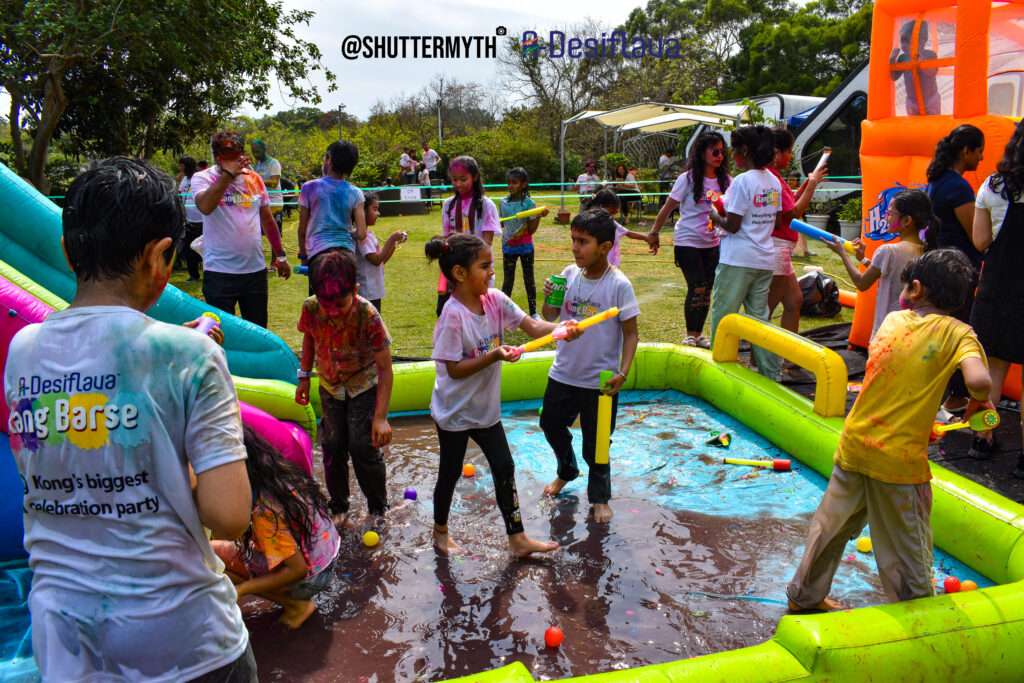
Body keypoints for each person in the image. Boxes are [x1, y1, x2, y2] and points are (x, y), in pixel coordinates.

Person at [6, 157, 256, 680]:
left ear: (67, 249)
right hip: (184, 640)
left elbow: (48, 469)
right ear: (162, 256)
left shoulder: (24, 350)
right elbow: (229, 513)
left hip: (69, 640)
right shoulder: (189, 355)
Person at [787, 249, 991, 611]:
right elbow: (978, 379)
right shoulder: (960, 333)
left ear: (914, 288)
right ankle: (915, 617)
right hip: (898, 465)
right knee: (906, 548)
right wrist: (980, 398)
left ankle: (804, 597)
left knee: (829, 529)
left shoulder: (893, 321)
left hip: (855, 446)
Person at [425, 232, 580, 556]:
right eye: (485, 266)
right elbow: (454, 369)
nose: (492, 272)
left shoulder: (495, 299)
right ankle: (440, 531)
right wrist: (493, 356)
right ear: (459, 273)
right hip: (454, 412)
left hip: (484, 410)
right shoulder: (452, 316)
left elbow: (534, 327)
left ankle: (517, 539)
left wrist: (564, 328)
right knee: (450, 473)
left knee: (504, 467)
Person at [540, 208, 640, 524]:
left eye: (583, 242)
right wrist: (549, 298)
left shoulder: (619, 285)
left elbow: (631, 332)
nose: (575, 247)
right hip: (564, 372)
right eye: (573, 240)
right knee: (550, 425)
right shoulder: (569, 275)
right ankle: (566, 470)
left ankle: (599, 498)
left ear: (605, 246)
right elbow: (550, 316)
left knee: (597, 442)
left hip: (601, 380)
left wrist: (622, 372)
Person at [295, 250, 393, 524]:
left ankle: (378, 508)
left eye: (340, 304)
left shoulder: (368, 314)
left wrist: (381, 417)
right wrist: (304, 376)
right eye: (328, 304)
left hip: (364, 385)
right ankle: (339, 506)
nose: (334, 312)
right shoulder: (312, 307)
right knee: (332, 444)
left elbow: (385, 368)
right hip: (329, 384)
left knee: (363, 446)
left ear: (356, 290)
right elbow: (309, 340)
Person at [212, 427, 340, 630]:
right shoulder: (278, 474)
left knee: (214, 560)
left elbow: (297, 570)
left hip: (310, 577)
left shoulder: (264, 510)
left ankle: (297, 606)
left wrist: (243, 590)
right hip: (325, 558)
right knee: (213, 549)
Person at [192, 130, 291, 328]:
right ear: (217, 156)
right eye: (225, 152)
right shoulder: (202, 178)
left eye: (235, 151)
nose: (232, 156)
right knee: (219, 334)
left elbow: (268, 220)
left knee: (257, 332)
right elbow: (205, 206)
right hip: (219, 272)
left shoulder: (254, 179)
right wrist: (228, 175)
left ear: (241, 153)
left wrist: (280, 256)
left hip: (254, 272)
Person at [970, 119, 1024, 471]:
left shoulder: (992, 186)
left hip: (996, 291)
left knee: (992, 370)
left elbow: (980, 242)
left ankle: (982, 438)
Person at [708, 125, 782, 380]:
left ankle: (720, 368)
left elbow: (733, 224)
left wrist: (714, 215)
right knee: (759, 319)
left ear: (745, 151)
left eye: (734, 150)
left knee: (723, 314)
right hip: (764, 257)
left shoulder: (742, 181)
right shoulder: (773, 181)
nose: (731, 156)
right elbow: (778, 218)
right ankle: (770, 372)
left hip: (738, 258)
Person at [646, 131, 732, 347]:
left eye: (722, 151)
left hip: (712, 242)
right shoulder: (688, 179)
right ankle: (690, 335)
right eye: (715, 151)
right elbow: (668, 207)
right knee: (698, 286)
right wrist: (654, 232)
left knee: (707, 290)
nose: (719, 155)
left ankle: (699, 334)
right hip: (687, 241)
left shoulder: (727, 181)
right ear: (702, 153)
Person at [927, 124, 985, 414]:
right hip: (959, 268)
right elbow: (975, 234)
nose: (982, 158)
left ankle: (944, 395)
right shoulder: (957, 187)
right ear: (966, 151)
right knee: (961, 332)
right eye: (979, 151)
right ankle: (954, 395)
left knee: (943, 332)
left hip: (943, 264)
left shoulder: (938, 181)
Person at [828, 189, 934, 340]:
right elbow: (891, 273)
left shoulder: (888, 251)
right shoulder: (926, 250)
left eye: (890, 213)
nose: (886, 217)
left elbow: (862, 283)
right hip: (911, 333)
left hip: (886, 331)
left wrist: (842, 253)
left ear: (907, 221)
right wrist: (863, 260)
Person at [767, 128, 828, 335]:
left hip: (781, 249)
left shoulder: (776, 178)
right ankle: (757, 358)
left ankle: (788, 358)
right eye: (789, 151)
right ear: (777, 153)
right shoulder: (772, 180)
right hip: (777, 249)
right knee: (767, 307)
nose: (791, 156)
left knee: (794, 300)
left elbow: (789, 204)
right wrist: (810, 186)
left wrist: (808, 185)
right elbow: (792, 215)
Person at [437, 155, 500, 315]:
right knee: (452, 313)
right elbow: (448, 238)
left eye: (463, 179)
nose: (458, 184)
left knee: (481, 313)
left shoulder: (486, 205)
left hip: (478, 270)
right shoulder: (448, 205)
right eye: (454, 179)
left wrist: (471, 261)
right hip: (456, 271)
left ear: (475, 176)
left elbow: (487, 243)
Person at [297, 140, 367, 284]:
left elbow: (302, 230)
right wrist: (348, 233)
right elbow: (361, 233)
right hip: (347, 255)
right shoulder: (356, 193)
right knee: (346, 302)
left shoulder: (309, 187)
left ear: (328, 159)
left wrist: (303, 256)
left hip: (318, 254)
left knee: (320, 302)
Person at [499, 167, 548, 318]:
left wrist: (538, 216)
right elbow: (502, 225)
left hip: (526, 247)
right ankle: (503, 312)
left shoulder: (529, 204)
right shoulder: (503, 203)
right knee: (508, 281)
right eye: (509, 183)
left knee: (529, 279)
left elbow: (531, 230)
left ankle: (533, 312)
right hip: (508, 247)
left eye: (514, 182)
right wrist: (510, 235)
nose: (511, 186)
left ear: (524, 184)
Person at [355, 191, 408, 312]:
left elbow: (382, 260)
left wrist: (394, 244)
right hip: (366, 292)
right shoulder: (362, 237)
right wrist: (392, 238)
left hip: (373, 291)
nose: (378, 213)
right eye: (374, 209)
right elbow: (376, 260)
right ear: (362, 212)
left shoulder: (369, 234)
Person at [584, 189, 652, 268]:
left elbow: (628, 233)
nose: (612, 216)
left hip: (611, 267)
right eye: (611, 212)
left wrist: (646, 238)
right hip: (598, 266)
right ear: (601, 206)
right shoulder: (589, 224)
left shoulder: (611, 222)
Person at [890, 20, 941, 116]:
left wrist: (921, 60)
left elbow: (932, 72)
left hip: (931, 100)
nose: (903, 45)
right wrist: (892, 60)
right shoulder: (903, 57)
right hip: (912, 102)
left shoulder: (930, 54)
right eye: (902, 41)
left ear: (922, 42)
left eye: (907, 41)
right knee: (915, 125)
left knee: (933, 124)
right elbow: (894, 77)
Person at [177, 155, 204, 282]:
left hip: (202, 220)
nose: (180, 168)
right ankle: (193, 275)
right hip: (189, 220)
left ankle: (209, 273)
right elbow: (180, 193)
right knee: (189, 249)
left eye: (182, 165)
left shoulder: (199, 178)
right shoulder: (184, 179)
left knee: (205, 249)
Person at [251, 139, 284, 234]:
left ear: (264, 149)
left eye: (257, 151)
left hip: (274, 203)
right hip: (261, 203)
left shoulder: (274, 163)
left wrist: (257, 181)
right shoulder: (257, 165)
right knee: (259, 234)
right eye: (253, 152)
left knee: (274, 234)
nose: (255, 154)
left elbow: (274, 183)